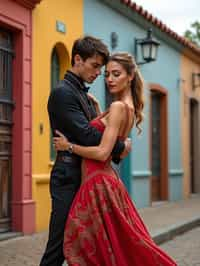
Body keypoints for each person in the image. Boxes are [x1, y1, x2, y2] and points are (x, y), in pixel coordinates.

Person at [54, 52, 177, 265]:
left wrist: (69, 146)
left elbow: (103, 152)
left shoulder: (119, 107)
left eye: (116, 74)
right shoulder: (127, 107)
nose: (110, 79)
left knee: (86, 247)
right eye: (107, 74)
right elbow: (114, 141)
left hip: (97, 183)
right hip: (105, 180)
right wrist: (101, 113)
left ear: (130, 76)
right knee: (110, 247)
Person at [40, 36, 131, 266]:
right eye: (95, 66)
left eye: (102, 67)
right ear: (78, 60)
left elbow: (97, 132)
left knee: (88, 248)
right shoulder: (63, 93)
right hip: (68, 177)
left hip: (86, 177)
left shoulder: (85, 96)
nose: (99, 73)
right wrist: (121, 145)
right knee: (59, 246)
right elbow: (88, 135)